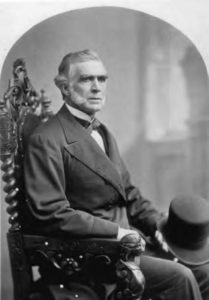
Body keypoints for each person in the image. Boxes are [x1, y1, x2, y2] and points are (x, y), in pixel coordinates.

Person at [23, 49, 206, 300]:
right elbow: (51, 213)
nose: (97, 87)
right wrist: (118, 233)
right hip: (93, 253)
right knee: (180, 276)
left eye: (102, 79)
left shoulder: (103, 131)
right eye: (86, 79)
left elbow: (128, 193)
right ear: (64, 88)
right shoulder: (45, 139)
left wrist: (156, 224)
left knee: (204, 270)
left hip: (129, 242)